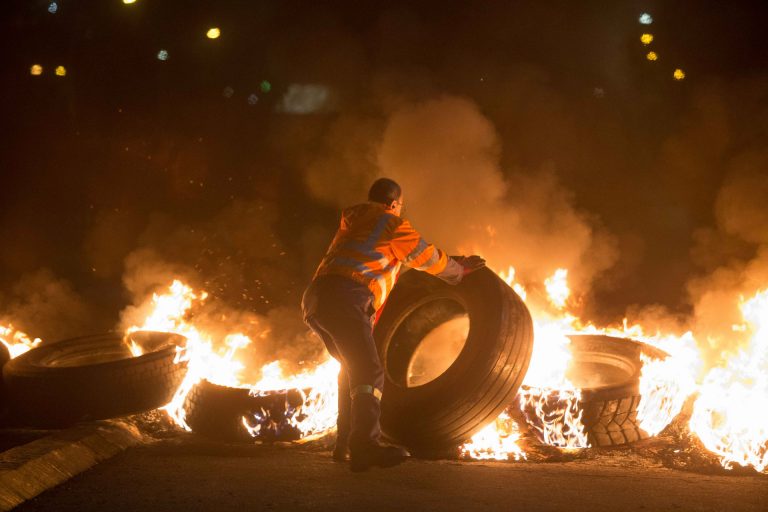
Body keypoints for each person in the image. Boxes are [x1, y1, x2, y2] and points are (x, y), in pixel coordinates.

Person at [301, 177, 485, 471]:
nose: (400, 210)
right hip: (347, 297)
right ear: (393, 203)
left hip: (316, 300)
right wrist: (458, 270)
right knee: (368, 370)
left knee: (352, 369)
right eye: (400, 205)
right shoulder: (392, 224)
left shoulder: (355, 222)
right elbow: (425, 256)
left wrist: (448, 260)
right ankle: (365, 446)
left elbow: (389, 257)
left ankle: (345, 444)